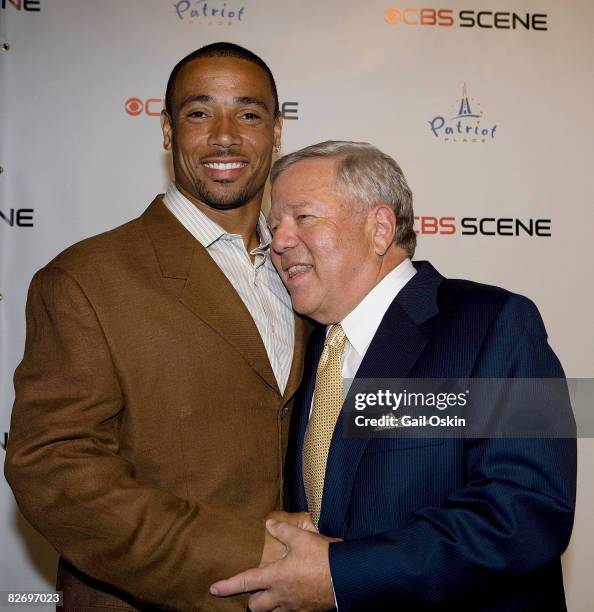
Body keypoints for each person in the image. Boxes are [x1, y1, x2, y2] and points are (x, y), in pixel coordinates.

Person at [4, 43, 312, 611]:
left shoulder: (305, 275)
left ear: (276, 132)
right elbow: (59, 474)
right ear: (168, 131)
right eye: (199, 113)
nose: (225, 136)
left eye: (248, 114)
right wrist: (253, 554)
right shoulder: (86, 279)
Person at [210, 141, 577, 611]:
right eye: (273, 224)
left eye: (302, 218)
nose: (278, 242)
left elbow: (528, 511)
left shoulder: (495, 322)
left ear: (379, 228)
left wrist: (339, 575)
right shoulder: (306, 347)